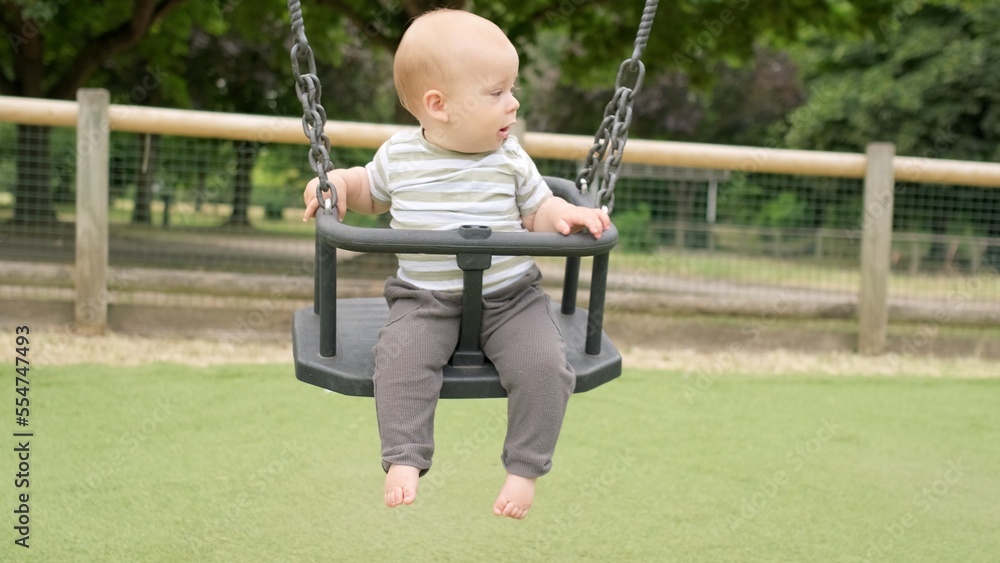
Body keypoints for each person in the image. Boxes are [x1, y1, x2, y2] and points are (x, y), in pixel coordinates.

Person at [302, 8, 609, 520]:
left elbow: (537, 209)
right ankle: (405, 456)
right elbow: (368, 190)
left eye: (512, 89)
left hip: (512, 299)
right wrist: (336, 185)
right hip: (424, 300)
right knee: (398, 361)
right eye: (496, 92)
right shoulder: (399, 156)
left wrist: (566, 215)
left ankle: (525, 467)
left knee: (546, 368)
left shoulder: (511, 158)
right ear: (438, 105)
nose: (513, 102)